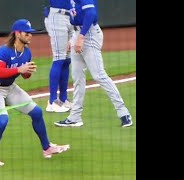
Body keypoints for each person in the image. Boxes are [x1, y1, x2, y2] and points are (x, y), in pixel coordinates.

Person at [0, 19, 70, 167]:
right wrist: (19, 69)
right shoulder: (4, 51)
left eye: (31, 33)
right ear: (17, 34)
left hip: (10, 87)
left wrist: (27, 72)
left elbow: (24, 75)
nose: (30, 36)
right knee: (2, 120)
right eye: (27, 33)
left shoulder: (26, 53)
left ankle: (47, 148)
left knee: (36, 112)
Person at [54, 0, 133, 128]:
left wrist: (81, 37)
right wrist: (73, 38)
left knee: (99, 75)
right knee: (77, 77)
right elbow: (74, 16)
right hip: (77, 33)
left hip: (88, 34)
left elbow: (90, 13)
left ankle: (124, 113)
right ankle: (75, 117)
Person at [44, 0, 76, 113]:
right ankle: (52, 101)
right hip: (57, 16)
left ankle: (63, 99)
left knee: (67, 60)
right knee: (59, 58)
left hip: (71, 16)